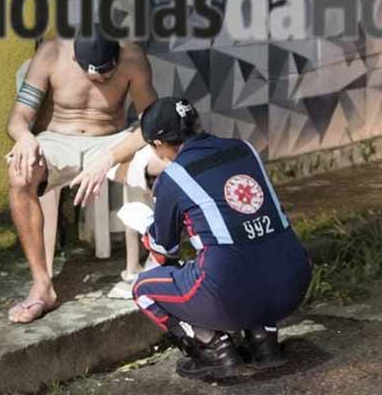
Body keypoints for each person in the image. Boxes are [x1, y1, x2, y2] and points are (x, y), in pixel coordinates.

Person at [131, 97, 312, 381]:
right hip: (295, 282)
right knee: (253, 247)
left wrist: (147, 231)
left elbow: (165, 251)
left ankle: (215, 350)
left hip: (233, 296)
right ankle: (264, 341)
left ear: (157, 144)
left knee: (142, 288)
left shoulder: (173, 177)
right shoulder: (245, 149)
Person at [5, 30, 161, 323]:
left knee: (165, 164)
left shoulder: (133, 57)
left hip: (109, 143)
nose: (101, 81)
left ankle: (158, 266)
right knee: (19, 173)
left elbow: (152, 125)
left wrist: (109, 159)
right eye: (93, 75)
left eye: (107, 73)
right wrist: (25, 137)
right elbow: (18, 117)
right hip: (55, 140)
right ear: (76, 57)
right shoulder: (51, 53)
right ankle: (42, 286)